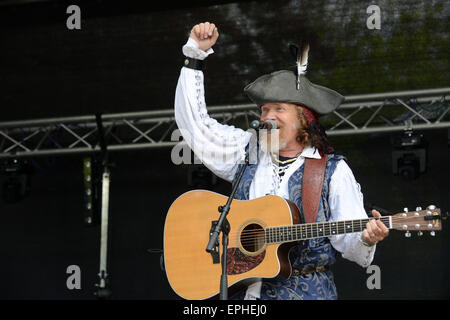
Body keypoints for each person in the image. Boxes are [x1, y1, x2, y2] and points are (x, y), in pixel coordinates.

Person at [174, 21, 389, 300]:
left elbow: (350, 242)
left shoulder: (332, 170)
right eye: (264, 110)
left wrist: (366, 237)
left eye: (279, 109)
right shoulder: (247, 151)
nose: (268, 117)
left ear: (303, 119)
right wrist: (195, 56)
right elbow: (196, 128)